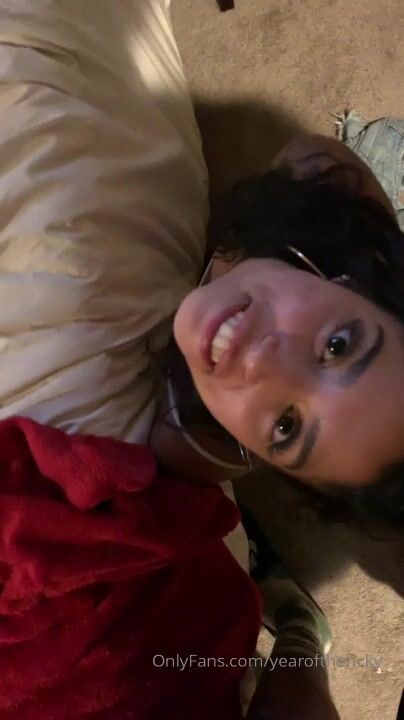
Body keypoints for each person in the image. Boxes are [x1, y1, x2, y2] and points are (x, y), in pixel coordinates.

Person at [0, 1, 391, 719]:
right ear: (352, 279)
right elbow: (316, 160)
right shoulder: (328, 219)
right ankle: (301, 638)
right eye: (338, 346)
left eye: (287, 425)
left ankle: (301, 636)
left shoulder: (206, 436)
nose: (264, 364)